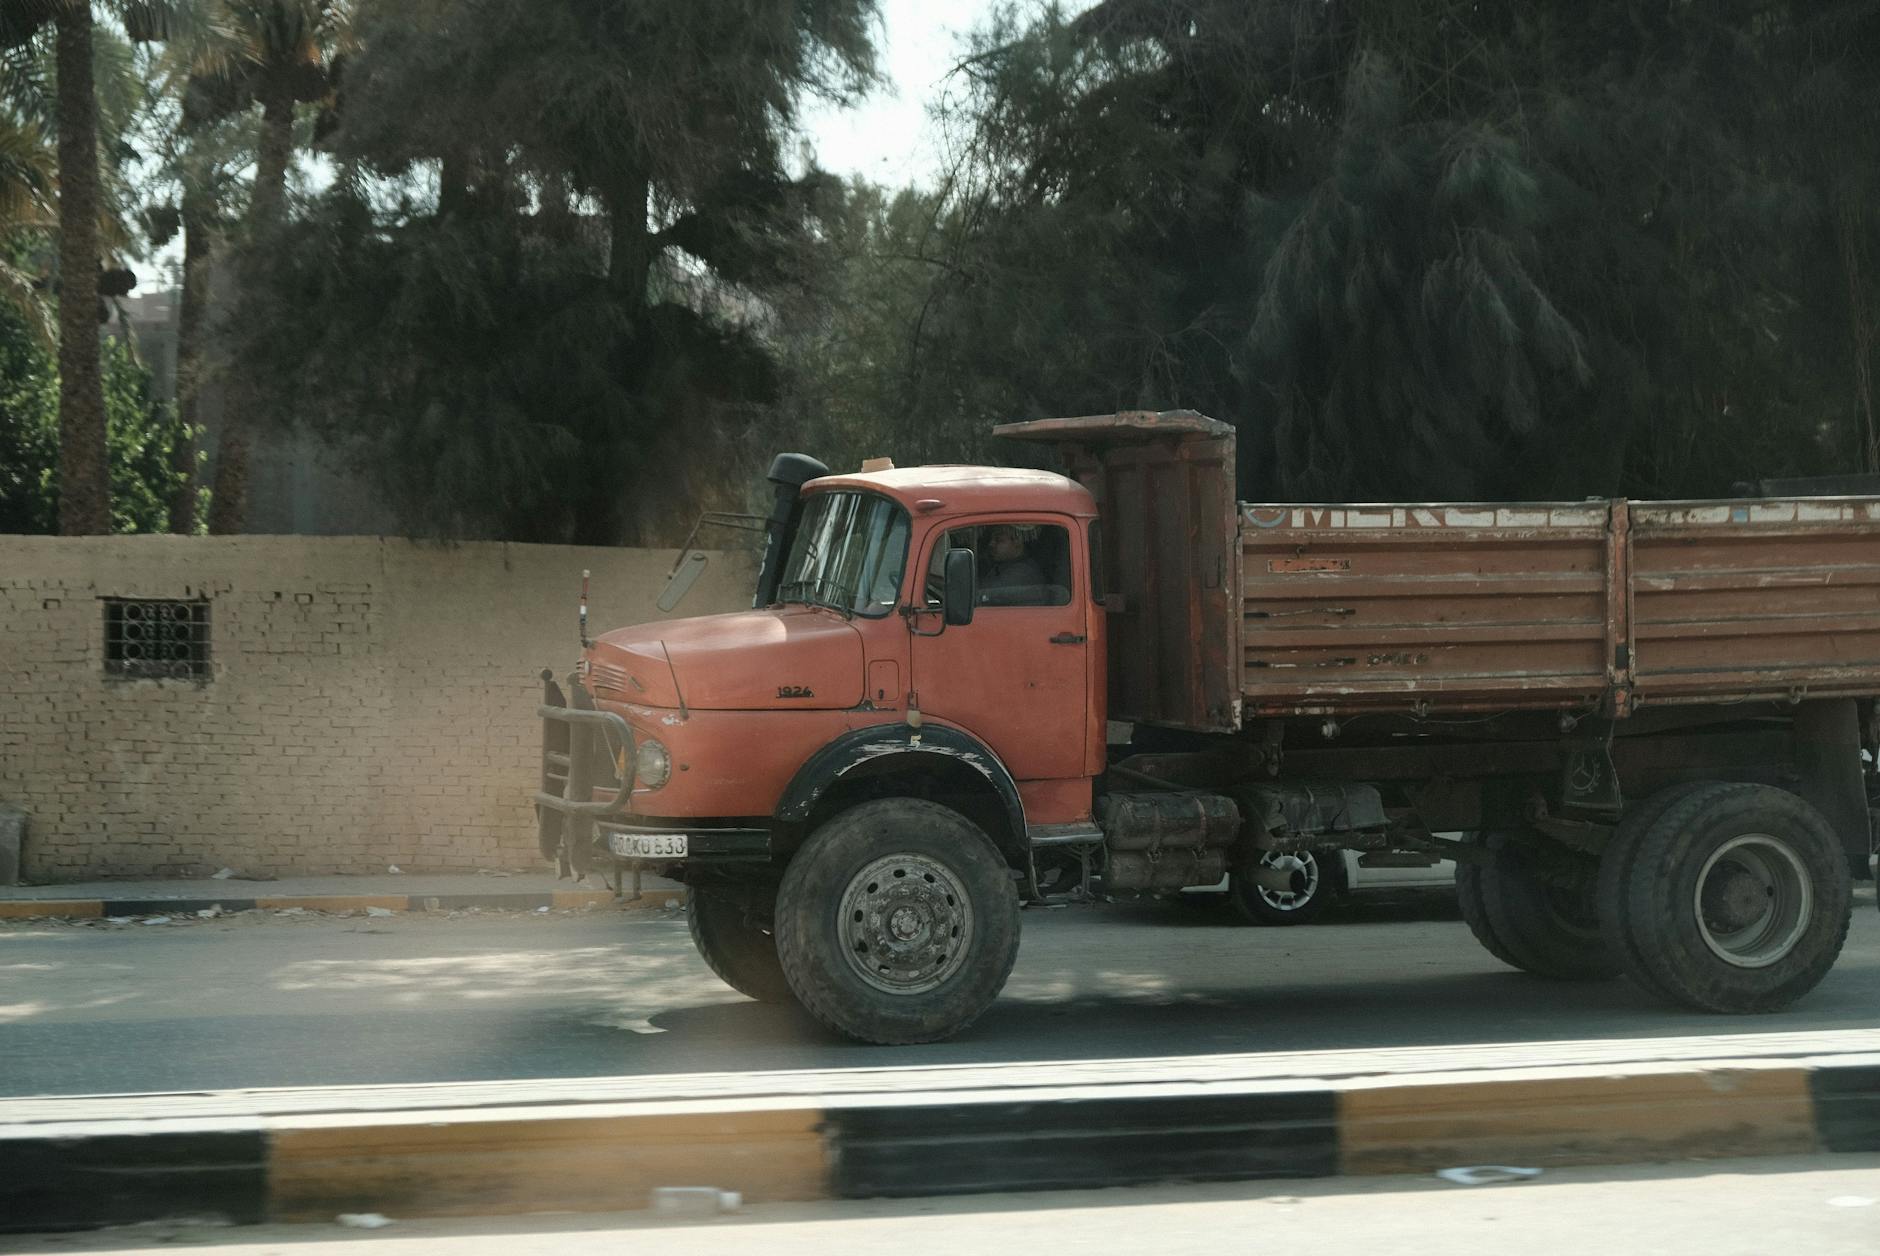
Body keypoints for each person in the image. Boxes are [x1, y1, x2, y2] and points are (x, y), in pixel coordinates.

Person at [980, 525, 1044, 592]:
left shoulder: (1023, 571)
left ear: (1017, 541)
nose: (991, 544)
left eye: (998, 539)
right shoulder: (1004, 565)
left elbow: (985, 595)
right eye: (991, 539)